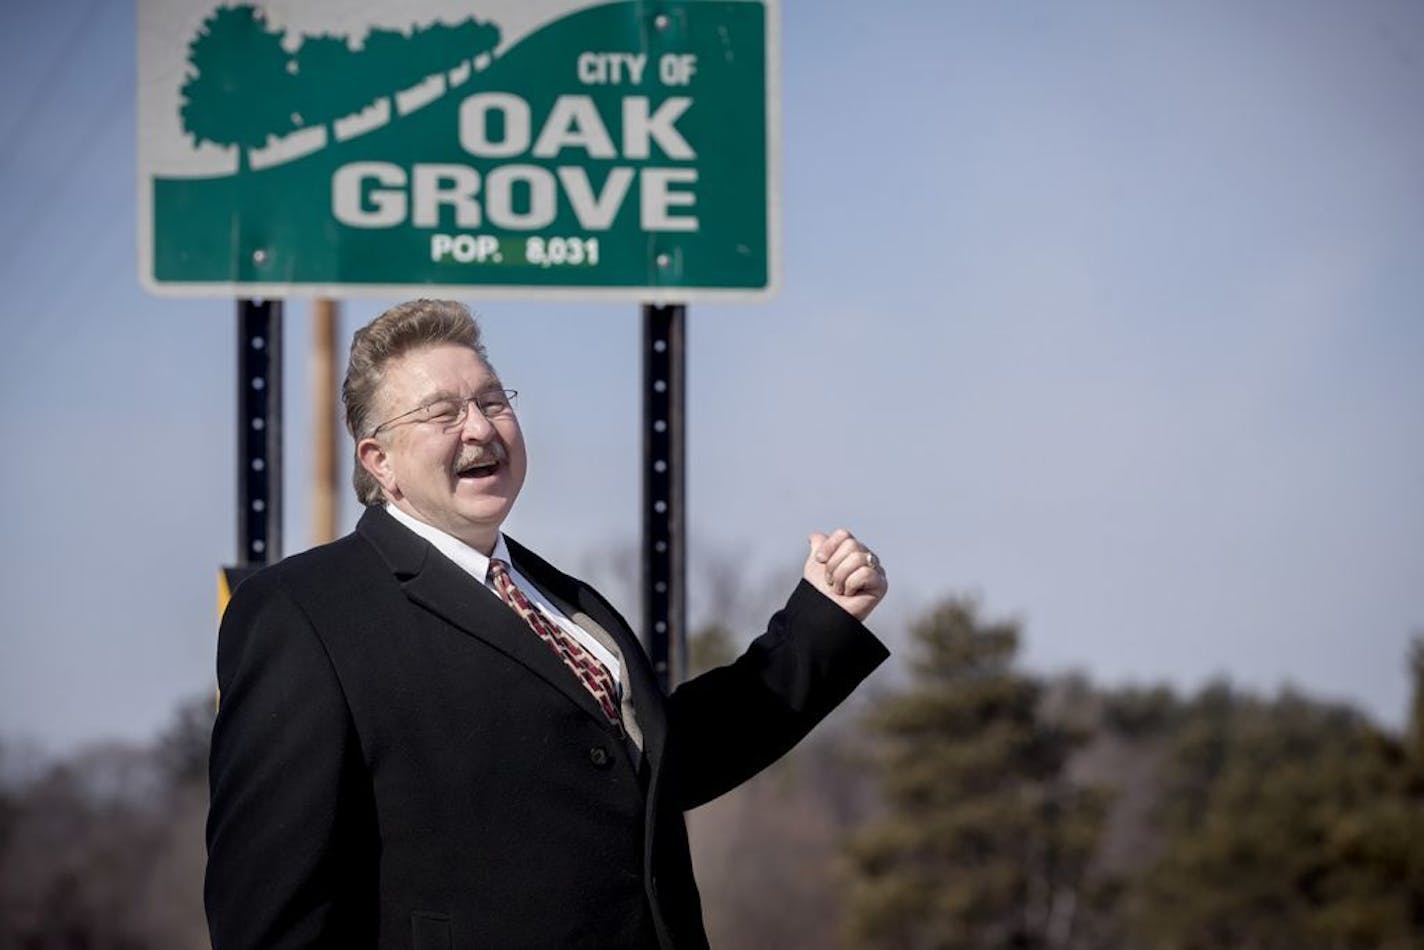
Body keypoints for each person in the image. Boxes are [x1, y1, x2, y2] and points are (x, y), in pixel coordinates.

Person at [205, 299, 890, 949]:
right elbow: (269, 912)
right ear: (378, 461)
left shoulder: (564, 600)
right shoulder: (303, 610)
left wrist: (817, 626)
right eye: (441, 413)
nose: (480, 428)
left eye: (492, 401)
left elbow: (658, 771)